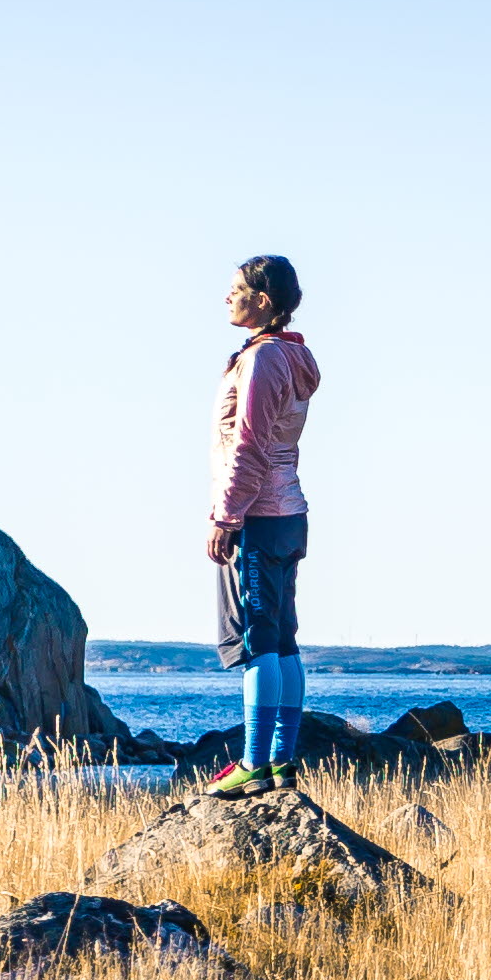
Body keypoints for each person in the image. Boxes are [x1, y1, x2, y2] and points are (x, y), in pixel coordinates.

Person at [203, 255, 320, 791]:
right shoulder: (291, 356)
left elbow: (248, 447)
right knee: (283, 639)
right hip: (288, 512)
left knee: (259, 641)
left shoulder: (264, 360)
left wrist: (225, 518)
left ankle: (255, 763)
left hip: (258, 514)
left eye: (236, 290)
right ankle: (280, 760)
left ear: (264, 301)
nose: (226, 297)